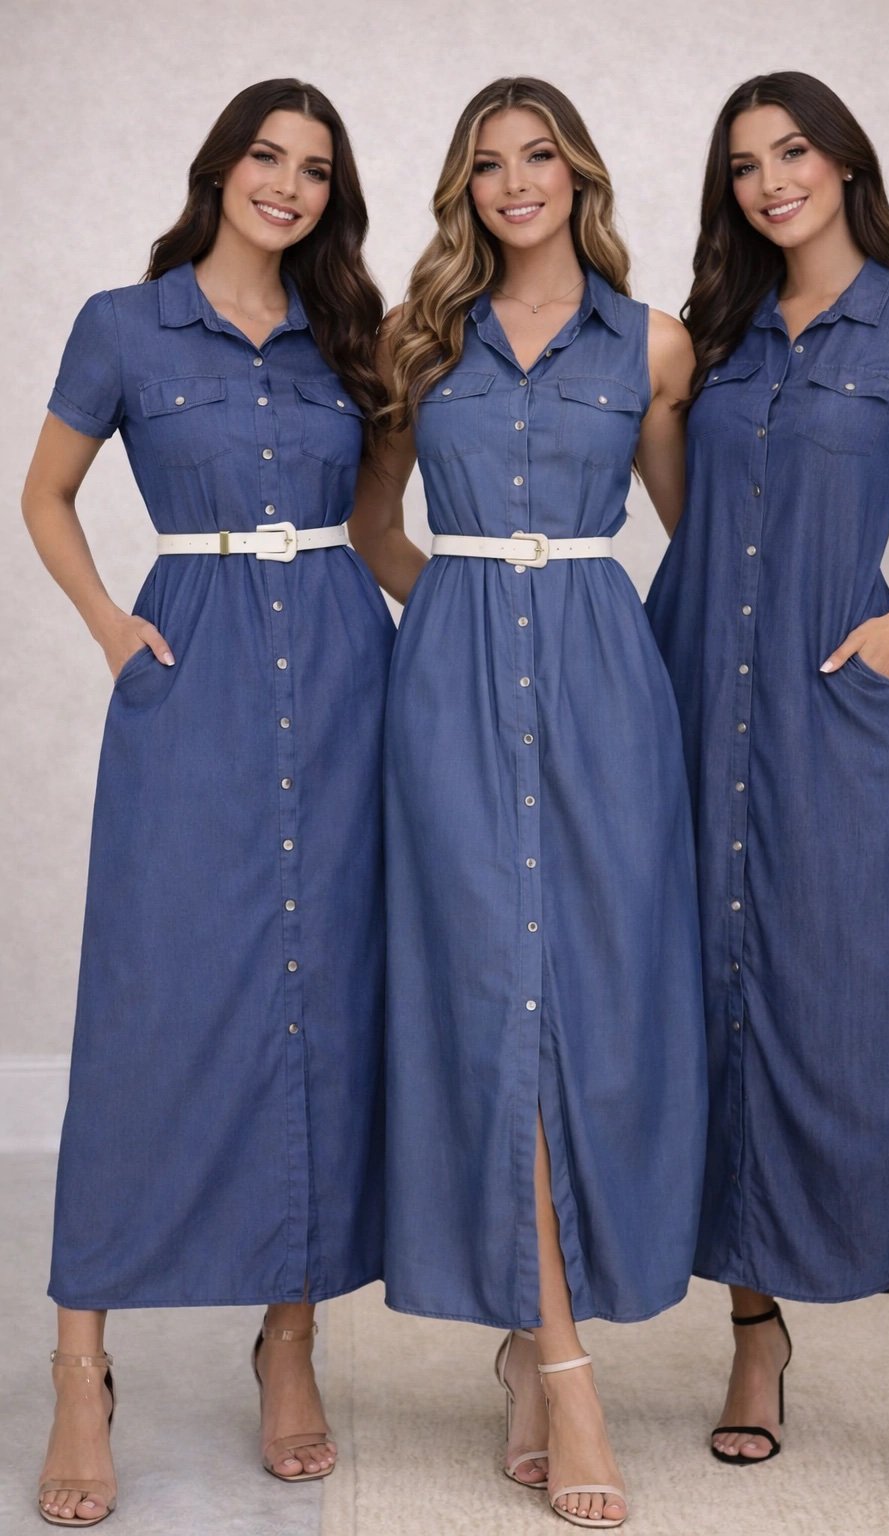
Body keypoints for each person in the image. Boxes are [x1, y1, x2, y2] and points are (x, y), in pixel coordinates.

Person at [22, 78, 394, 1525]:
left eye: (314, 169)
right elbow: (45, 494)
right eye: (265, 157)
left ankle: (287, 1344)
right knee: (148, 1007)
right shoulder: (125, 325)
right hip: (191, 683)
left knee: (320, 1004)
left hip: (346, 684)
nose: (287, 185)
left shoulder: (352, 336)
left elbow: (380, 525)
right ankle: (81, 1366)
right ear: (220, 168)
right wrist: (113, 629)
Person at [646, 70, 889, 1510]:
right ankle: (756, 1343)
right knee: (723, 998)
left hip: (838, 702)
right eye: (744, 164)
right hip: (699, 697)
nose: (771, 182)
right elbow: (690, 509)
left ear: (845, 161)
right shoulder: (715, 335)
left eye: (792, 151)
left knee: (885, 1005)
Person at [349, 76, 706, 1530]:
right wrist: (459, 616)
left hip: (608, 693)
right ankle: (564, 1369)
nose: (515, 182)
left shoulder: (656, 343)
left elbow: (694, 535)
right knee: (495, 995)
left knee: (596, 1002)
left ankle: (528, 1337)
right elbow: (374, 524)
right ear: (464, 191)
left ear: (579, 175)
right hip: (449, 698)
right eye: (487, 164)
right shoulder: (415, 340)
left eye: (538, 156)